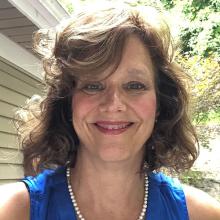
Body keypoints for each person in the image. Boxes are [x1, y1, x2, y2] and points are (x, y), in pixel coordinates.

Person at [0, 3, 220, 220]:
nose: (113, 103)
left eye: (135, 85)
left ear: (161, 104)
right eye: (93, 85)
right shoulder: (13, 211)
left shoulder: (203, 214)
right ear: (68, 101)